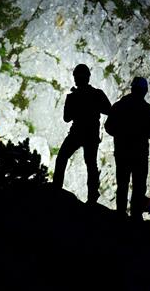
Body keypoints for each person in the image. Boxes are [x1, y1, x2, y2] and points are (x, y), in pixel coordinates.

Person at [53, 64, 111, 204]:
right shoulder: (97, 94)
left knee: (62, 157)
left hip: (77, 132)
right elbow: (109, 110)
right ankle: (92, 196)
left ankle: (56, 188)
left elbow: (67, 118)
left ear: (76, 79)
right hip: (91, 134)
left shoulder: (73, 96)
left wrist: (76, 102)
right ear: (88, 78)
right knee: (91, 164)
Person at [104, 77, 150, 221]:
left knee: (122, 183)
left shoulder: (119, 106)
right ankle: (136, 215)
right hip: (139, 153)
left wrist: (121, 133)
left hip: (122, 151)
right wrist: (141, 133)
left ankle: (120, 214)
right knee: (139, 185)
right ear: (144, 91)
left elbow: (108, 126)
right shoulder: (147, 109)